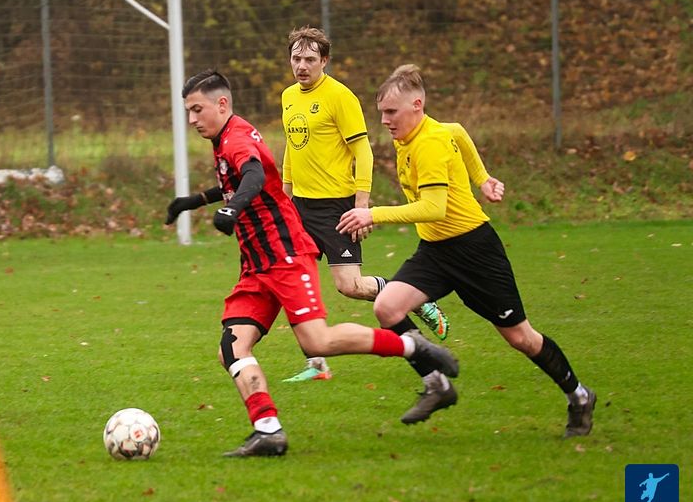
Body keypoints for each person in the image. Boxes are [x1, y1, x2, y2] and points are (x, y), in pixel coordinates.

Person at [164, 69, 460, 457]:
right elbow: (241, 181)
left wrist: (232, 210)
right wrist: (195, 201)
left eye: (196, 109)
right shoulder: (226, 137)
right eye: (188, 111)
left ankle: (411, 347)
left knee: (317, 341)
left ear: (222, 104)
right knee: (232, 348)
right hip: (256, 265)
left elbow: (252, 175)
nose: (191, 119)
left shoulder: (236, 139)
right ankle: (268, 430)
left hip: (285, 256)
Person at [337, 64, 596, 436]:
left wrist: (372, 214)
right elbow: (457, 130)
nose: (384, 120)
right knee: (387, 307)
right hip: (435, 251)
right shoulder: (416, 132)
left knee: (521, 338)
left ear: (417, 105)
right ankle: (437, 384)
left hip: (475, 250)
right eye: (381, 112)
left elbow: (434, 208)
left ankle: (579, 395)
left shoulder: (428, 143)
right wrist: (483, 178)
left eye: (391, 112)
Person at [280, 26, 449, 383]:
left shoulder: (341, 97)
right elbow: (293, 150)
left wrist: (362, 205)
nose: (302, 66)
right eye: (296, 58)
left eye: (309, 59)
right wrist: (284, 195)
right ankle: (317, 365)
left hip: (336, 207)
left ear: (324, 60)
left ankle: (414, 299)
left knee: (350, 286)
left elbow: (363, 151)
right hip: (300, 207)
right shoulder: (288, 97)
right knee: (292, 283)